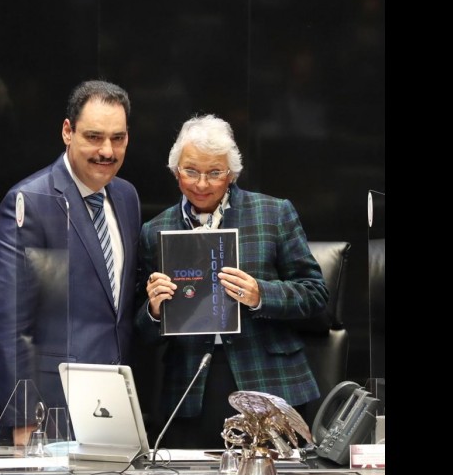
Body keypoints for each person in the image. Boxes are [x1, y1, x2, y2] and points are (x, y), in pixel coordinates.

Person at [135, 113, 328, 449]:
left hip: (269, 379)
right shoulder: (155, 231)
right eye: (191, 171)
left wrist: (260, 294)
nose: (201, 184)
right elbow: (140, 331)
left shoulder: (273, 214)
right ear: (176, 171)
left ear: (231, 174)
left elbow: (316, 294)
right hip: (192, 384)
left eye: (215, 173)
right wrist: (153, 310)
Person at [0, 80, 141, 446]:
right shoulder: (31, 201)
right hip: (44, 414)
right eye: (94, 137)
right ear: (68, 131)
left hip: (109, 410)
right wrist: (23, 419)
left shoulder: (126, 197)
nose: (107, 151)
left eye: (118, 138)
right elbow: (9, 323)